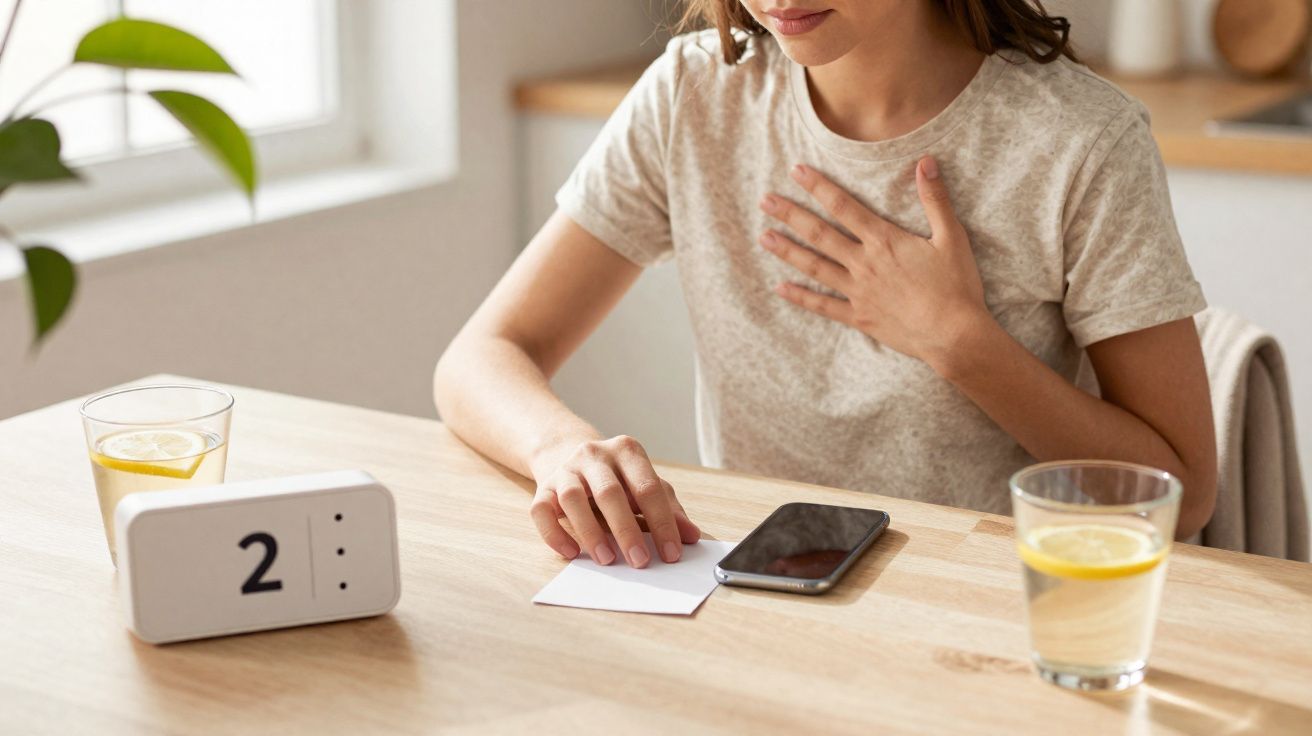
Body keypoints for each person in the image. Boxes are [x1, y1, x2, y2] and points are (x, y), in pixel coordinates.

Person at [434, 0, 1218, 568]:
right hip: (764, 594)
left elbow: (1182, 499)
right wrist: (559, 447)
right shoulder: (693, 96)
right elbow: (482, 356)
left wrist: (962, 345)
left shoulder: (1079, 142)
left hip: (996, 616)